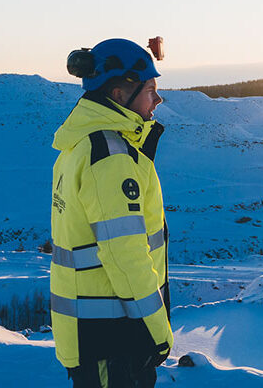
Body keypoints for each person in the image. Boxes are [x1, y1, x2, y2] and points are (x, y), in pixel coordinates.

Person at [50, 38, 172, 387]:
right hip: (116, 337)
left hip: (94, 334)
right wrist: (158, 332)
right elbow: (125, 255)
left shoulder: (80, 146)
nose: (158, 99)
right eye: (150, 90)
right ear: (120, 94)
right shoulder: (110, 158)